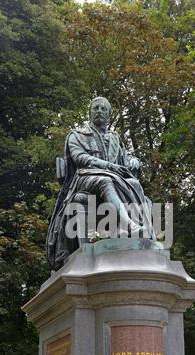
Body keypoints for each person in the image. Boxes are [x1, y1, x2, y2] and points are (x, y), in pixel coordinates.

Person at [46, 96, 154, 271]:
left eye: (104, 109)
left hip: (113, 179)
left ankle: (141, 236)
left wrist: (134, 161)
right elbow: (80, 158)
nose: (99, 111)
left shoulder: (115, 139)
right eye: (95, 108)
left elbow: (124, 164)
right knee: (106, 179)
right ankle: (128, 223)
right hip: (84, 179)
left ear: (109, 115)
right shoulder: (76, 135)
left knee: (134, 184)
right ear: (89, 113)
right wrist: (108, 166)